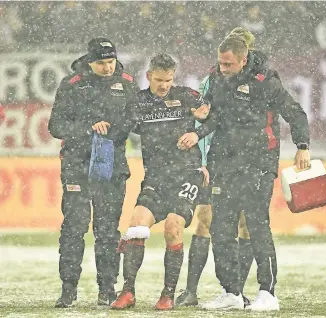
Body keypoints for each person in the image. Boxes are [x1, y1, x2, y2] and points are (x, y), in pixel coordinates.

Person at [178, 33, 310, 311]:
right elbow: (215, 116)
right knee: (221, 227)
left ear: (243, 60)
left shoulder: (266, 81)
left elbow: (295, 112)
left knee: (256, 225)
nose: (222, 69)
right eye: (220, 63)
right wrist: (198, 129)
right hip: (224, 162)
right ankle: (232, 292)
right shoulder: (216, 78)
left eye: (228, 65)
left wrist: (302, 145)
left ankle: (268, 292)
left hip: (258, 162)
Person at [176, 27, 271, 308]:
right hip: (215, 160)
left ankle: (236, 291)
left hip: (244, 163)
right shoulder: (212, 80)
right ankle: (191, 290)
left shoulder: (259, 82)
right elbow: (202, 119)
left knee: (245, 225)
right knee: (205, 220)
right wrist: (201, 161)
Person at [110, 53, 209, 311]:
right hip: (155, 177)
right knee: (136, 227)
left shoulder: (187, 95)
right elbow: (120, 130)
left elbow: (215, 118)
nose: (164, 85)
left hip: (187, 174)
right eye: (159, 80)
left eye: (168, 80)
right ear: (148, 76)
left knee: (173, 228)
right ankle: (128, 291)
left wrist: (196, 134)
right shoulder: (138, 103)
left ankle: (167, 295)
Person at [48, 37, 139, 308]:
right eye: (101, 62)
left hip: (112, 166)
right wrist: (89, 127)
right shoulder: (72, 84)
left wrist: (112, 128)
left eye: (111, 61)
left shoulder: (127, 83)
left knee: (108, 231)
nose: (108, 67)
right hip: (77, 165)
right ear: (90, 61)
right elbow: (56, 125)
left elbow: (134, 121)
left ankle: (107, 289)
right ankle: (68, 289)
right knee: (74, 228)